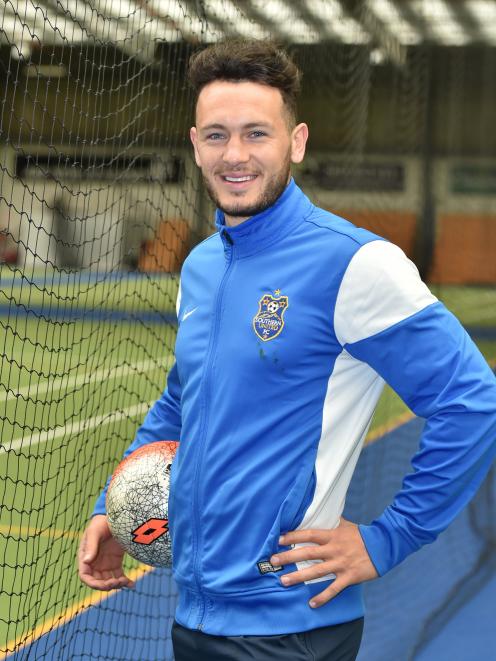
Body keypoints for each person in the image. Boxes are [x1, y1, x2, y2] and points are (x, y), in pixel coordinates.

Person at [78, 39, 496, 661]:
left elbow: (472, 400)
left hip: (290, 627)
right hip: (195, 612)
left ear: (296, 142)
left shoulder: (355, 263)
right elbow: (179, 402)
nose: (236, 155)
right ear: (195, 145)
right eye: (217, 135)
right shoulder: (200, 266)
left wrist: (389, 538)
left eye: (257, 134)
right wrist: (113, 507)